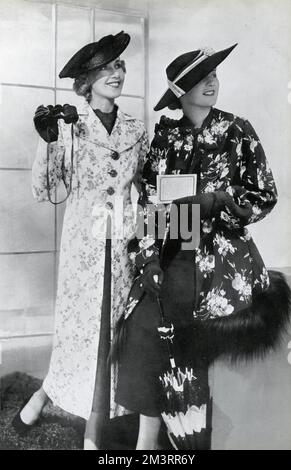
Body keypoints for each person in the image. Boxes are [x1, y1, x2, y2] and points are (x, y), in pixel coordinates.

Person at [115, 44, 291, 450]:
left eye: (214, 74)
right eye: (201, 76)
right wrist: (148, 260)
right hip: (173, 254)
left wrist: (219, 203)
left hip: (223, 262)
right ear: (181, 90)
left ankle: (193, 443)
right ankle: (148, 443)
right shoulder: (165, 137)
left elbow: (264, 194)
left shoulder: (237, 130)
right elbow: (150, 206)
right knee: (144, 331)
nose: (212, 81)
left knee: (194, 343)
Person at [12, 31, 149, 450]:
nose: (116, 73)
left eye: (119, 66)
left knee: (115, 333)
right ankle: (54, 403)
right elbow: (44, 189)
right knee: (82, 334)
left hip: (123, 245)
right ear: (86, 82)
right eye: (105, 68)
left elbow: (145, 188)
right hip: (84, 250)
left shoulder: (136, 129)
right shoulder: (68, 124)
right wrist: (48, 143)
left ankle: (95, 416)